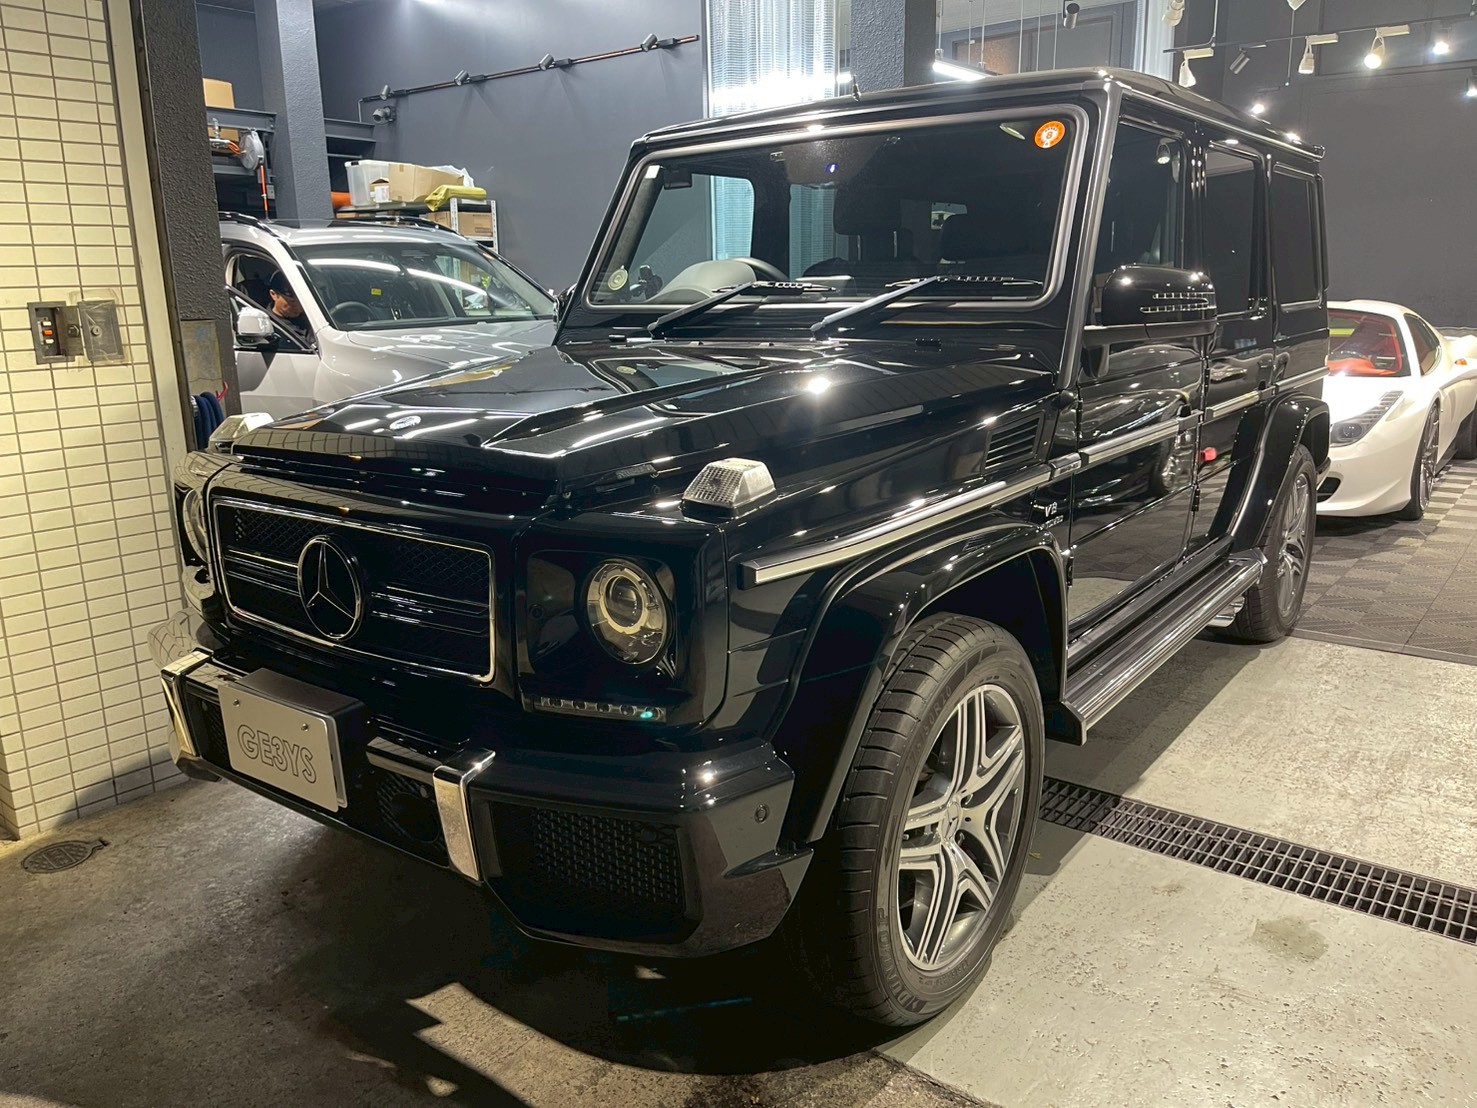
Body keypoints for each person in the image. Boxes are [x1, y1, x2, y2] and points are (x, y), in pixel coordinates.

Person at [266, 271, 310, 344]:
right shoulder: (267, 326)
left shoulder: (314, 318)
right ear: (274, 294)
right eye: (291, 297)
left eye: (301, 298)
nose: (298, 303)